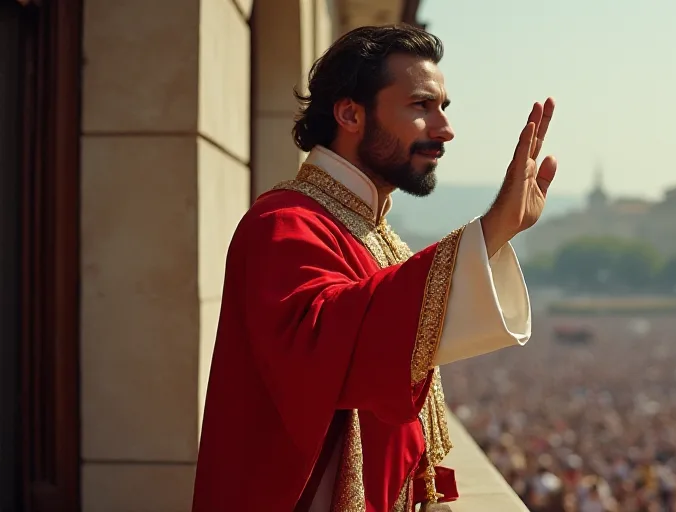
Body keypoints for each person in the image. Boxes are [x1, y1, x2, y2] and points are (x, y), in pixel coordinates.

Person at [191, 23, 557, 512]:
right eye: (421, 106)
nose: (445, 130)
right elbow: (338, 345)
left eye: (443, 108)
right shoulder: (282, 223)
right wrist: (490, 230)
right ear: (350, 113)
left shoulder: (377, 232)